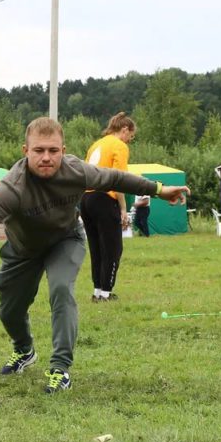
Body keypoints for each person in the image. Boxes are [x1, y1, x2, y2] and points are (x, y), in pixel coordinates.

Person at [0, 117, 189, 394]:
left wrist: (160, 190)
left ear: (63, 151)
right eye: (39, 150)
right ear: (25, 151)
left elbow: (115, 178)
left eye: (53, 151)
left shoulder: (77, 171)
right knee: (10, 312)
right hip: (23, 251)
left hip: (64, 241)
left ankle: (60, 369)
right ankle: (24, 350)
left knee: (61, 290)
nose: (46, 157)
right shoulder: (13, 187)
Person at [80, 112, 136, 302]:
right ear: (124, 129)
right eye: (131, 136)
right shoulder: (118, 146)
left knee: (96, 247)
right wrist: (123, 208)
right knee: (112, 248)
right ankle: (106, 293)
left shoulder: (96, 144)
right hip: (104, 198)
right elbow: (118, 180)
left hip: (86, 199)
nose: (129, 141)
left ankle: (97, 291)